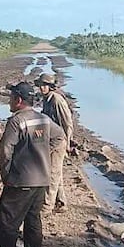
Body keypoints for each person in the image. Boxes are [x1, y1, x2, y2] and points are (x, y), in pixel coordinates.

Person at [0, 81, 65, 247]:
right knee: (33, 223)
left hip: (21, 182)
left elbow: (5, 151)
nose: (9, 101)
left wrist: (7, 175)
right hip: (41, 181)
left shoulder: (16, 121)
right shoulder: (43, 119)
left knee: (8, 225)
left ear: (18, 100)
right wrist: (44, 153)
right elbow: (59, 136)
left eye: (11, 97)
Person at [35, 72, 74, 212]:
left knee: (52, 173)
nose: (42, 88)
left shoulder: (56, 100)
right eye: (40, 85)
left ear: (51, 86)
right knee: (56, 172)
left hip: (59, 140)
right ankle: (61, 202)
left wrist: (68, 142)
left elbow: (67, 122)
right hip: (52, 138)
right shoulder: (47, 99)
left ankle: (47, 207)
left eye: (45, 85)